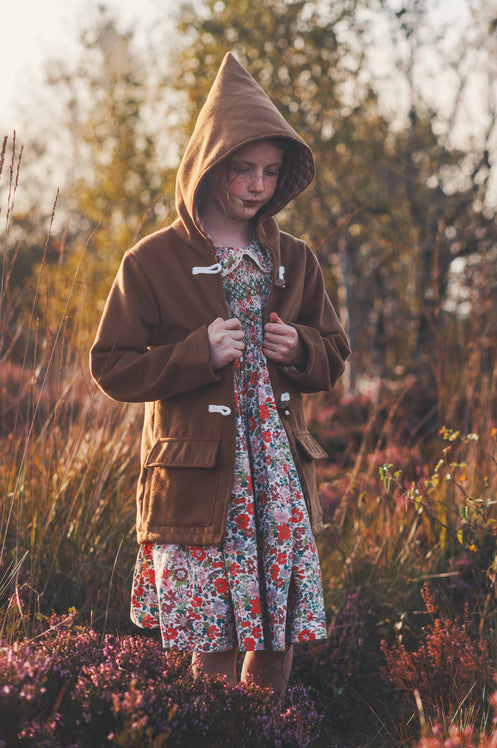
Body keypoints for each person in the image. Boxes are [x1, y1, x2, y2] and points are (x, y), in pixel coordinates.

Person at [90, 52, 350, 695]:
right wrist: (194, 356)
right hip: (199, 477)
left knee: (277, 631)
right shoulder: (151, 260)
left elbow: (336, 354)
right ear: (209, 165)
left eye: (271, 171)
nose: (259, 185)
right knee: (208, 635)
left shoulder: (295, 258)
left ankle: (261, 733)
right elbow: (110, 366)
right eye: (243, 170)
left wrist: (302, 351)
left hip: (277, 477)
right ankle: (214, 731)